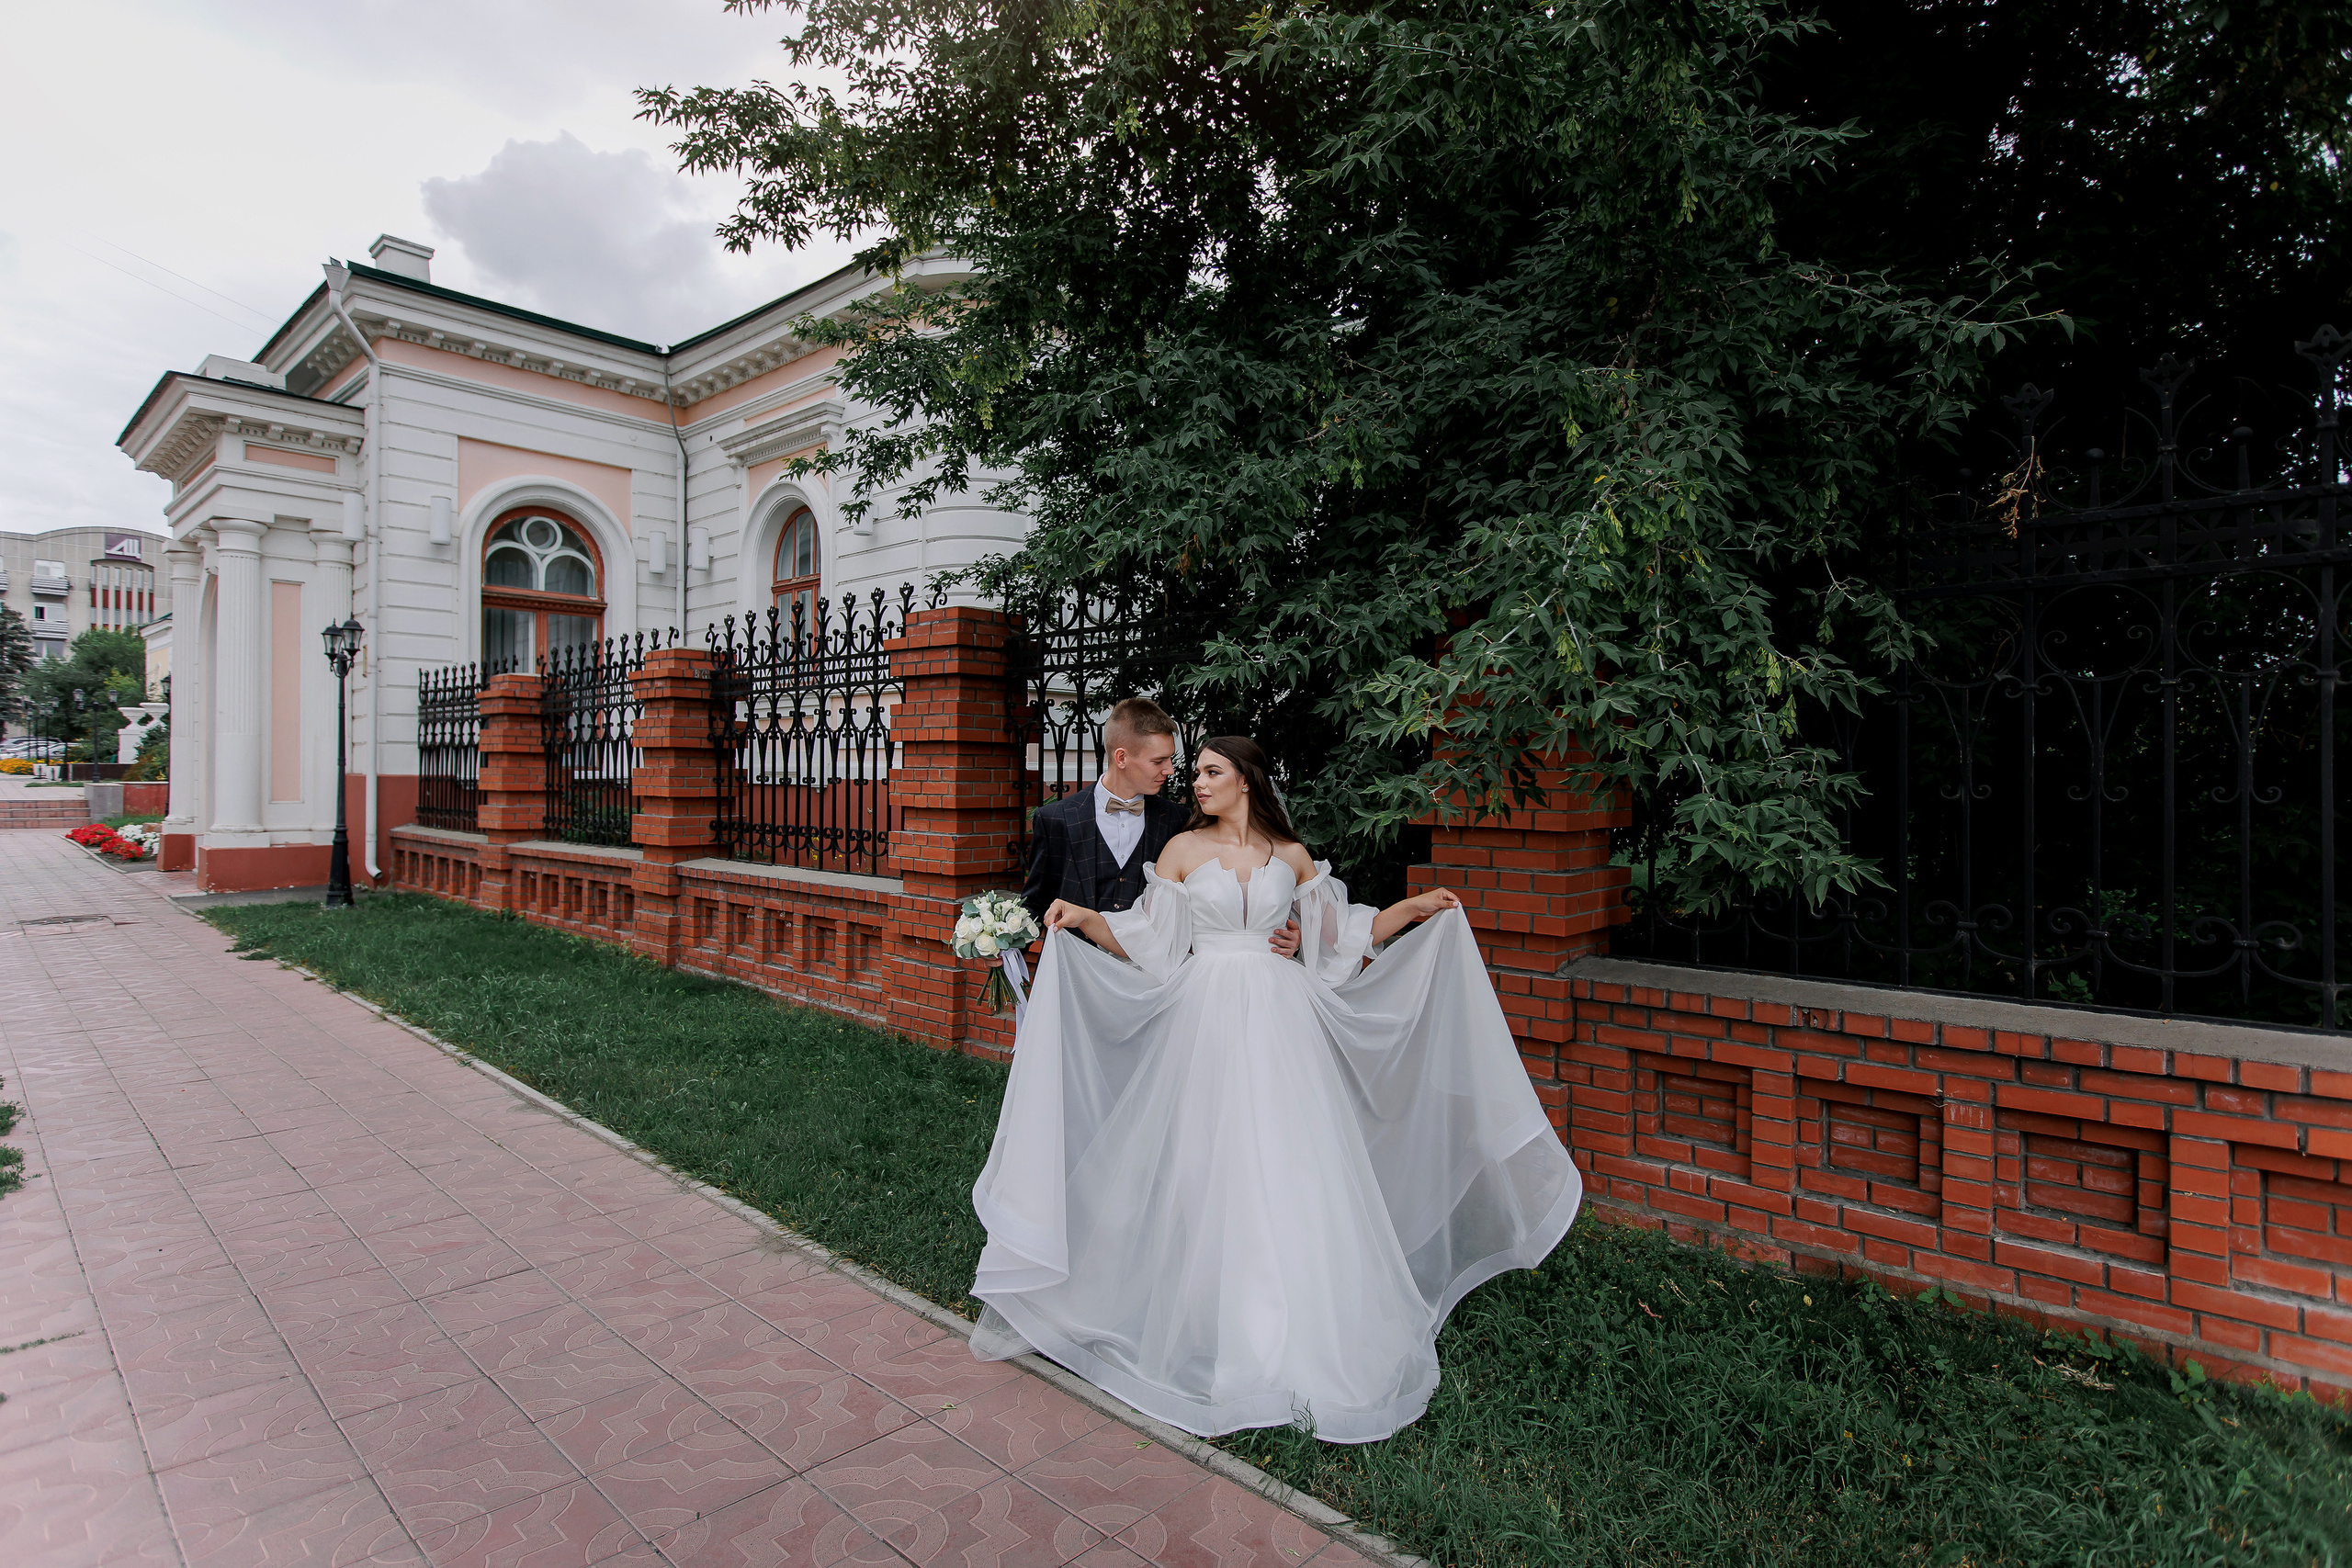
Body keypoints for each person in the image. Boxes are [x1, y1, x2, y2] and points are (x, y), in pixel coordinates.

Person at [970, 735, 1583, 1443]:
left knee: (1292, 1163)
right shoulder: (1179, 853)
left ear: (1246, 780)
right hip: (1202, 1020)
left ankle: (1288, 1329)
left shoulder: (1290, 857)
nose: (1195, 782)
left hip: (1280, 1020)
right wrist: (1084, 918)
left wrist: (1410, 911)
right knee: (1204, 1162)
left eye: (1209, 771)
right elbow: (1154, 942)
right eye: (1193, 771)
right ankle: (1199, 1315)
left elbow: (1337, 939)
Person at [1022, 696, 1297, 958]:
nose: (1170, 770)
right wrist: (1003, 947)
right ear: (1121, 758)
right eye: (1158, 761)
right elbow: (1035, 903)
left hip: (1155, 978)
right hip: (1077, 973)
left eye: (1170, 759)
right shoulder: (1056, 819)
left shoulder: (1179, 821)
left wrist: (1290, 937)